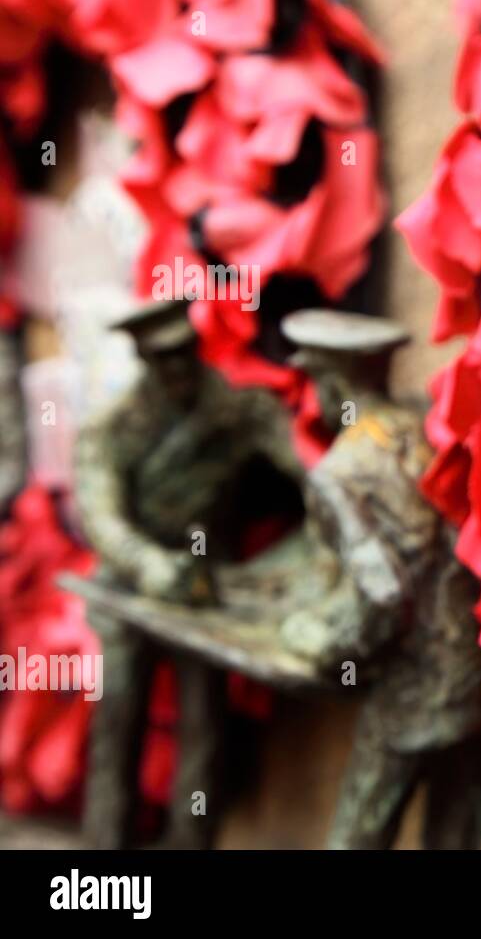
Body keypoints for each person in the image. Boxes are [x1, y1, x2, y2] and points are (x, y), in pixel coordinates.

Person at [76, 297, 303, 848]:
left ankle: (191, 843)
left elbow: (305, 469)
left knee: (205, 726)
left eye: (185, 353)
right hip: (133, 585)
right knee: (118, 725)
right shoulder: (112, 429)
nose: (178, 368)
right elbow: (100, 515)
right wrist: (148, 563)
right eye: (163, 359)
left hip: (204, 586)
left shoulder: (237, 409)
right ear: (143, 360)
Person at [279, 309, 481, 849]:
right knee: (455, 835)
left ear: (332, 385)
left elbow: (382, 591)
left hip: (414, 688)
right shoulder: (430, 423)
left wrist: (328, 647)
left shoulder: (340, 473)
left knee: (360, 834)